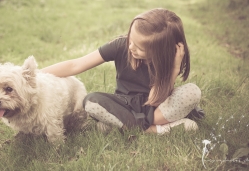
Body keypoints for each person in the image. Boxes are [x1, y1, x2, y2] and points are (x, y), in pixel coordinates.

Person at [41, 8, 202, 134]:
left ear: (159, 52)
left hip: (156, 106)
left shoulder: (168, 60)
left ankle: (126, 126)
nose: (131, 47)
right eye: (131, 40)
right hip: (124, 105)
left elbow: (155, 100)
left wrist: (174, 70)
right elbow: (75, 65)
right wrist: (37, 74)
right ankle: (158, 130)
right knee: (91, 101)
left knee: (192, 92)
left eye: (139, 47)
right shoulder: (121, 45)